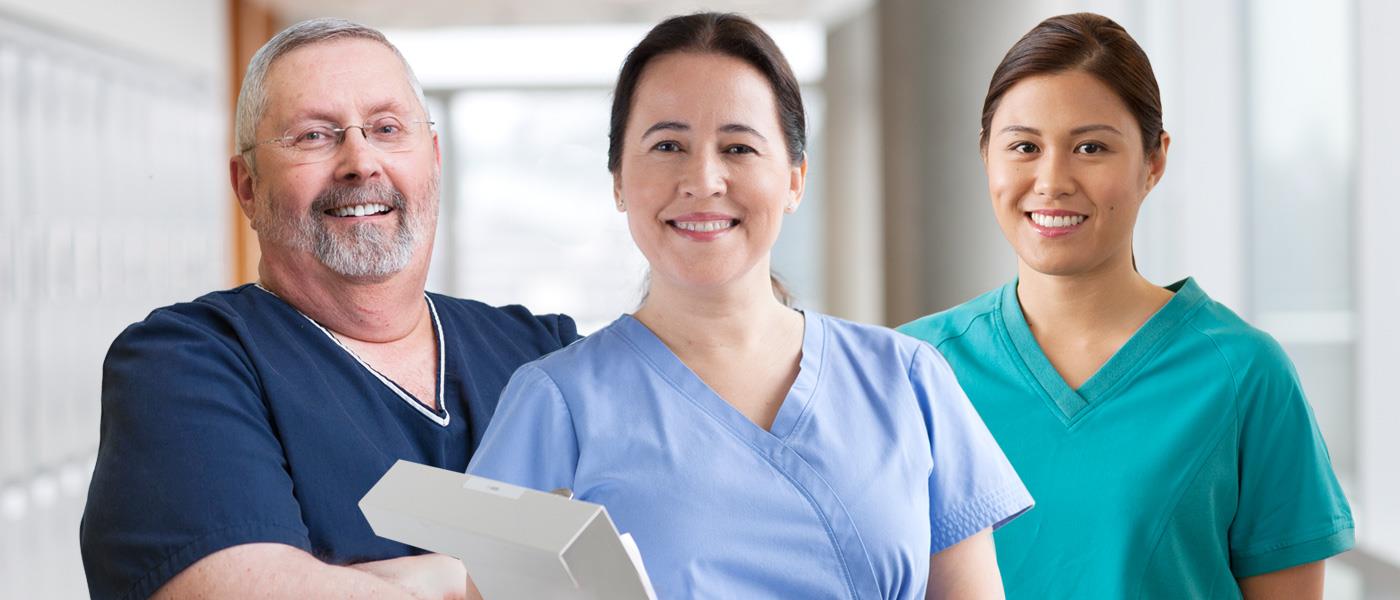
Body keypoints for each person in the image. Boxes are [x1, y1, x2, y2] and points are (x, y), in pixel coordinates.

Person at [466, 12, 1032, 599]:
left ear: (794, 179)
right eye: (667, 145)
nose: (703, 179)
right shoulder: (556, 403)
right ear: (617, 181)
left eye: (738, 147)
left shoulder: (908, 379)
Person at [79, 18, 576, 600]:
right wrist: (465, 578)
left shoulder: (541, 350)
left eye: (387, 128)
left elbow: (659, 557)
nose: (360, 162)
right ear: (248, 188)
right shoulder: (187, 363)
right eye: (314, 136)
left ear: (434, 159)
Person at [898, 12, 1354, 599]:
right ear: (987, 156)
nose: (1052, 180)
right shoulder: (913, 368)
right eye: (1024, 147)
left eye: (1091, 147)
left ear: (1154, 160)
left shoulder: (1244, 375)